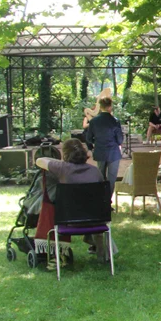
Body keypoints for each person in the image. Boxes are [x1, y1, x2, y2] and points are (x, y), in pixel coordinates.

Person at [34, 138, 109, 268]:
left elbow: (39, 161)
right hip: (97, 219)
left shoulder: (62, 168)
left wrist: (59, 162)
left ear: (65, 154)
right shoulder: (95, 171)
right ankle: (101, 254)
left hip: (69, 221)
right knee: (89, 209)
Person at [85, 96, 123, 192]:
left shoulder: (93, 121)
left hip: (100, 151)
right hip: (113, 152)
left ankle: (101, 201)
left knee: (101, 178)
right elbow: (120, 140)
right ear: (110, 107)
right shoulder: (115, 121)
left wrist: (94, 144)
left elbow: (88, 138)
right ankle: (108, 202)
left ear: (100, 107)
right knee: (112, 178)